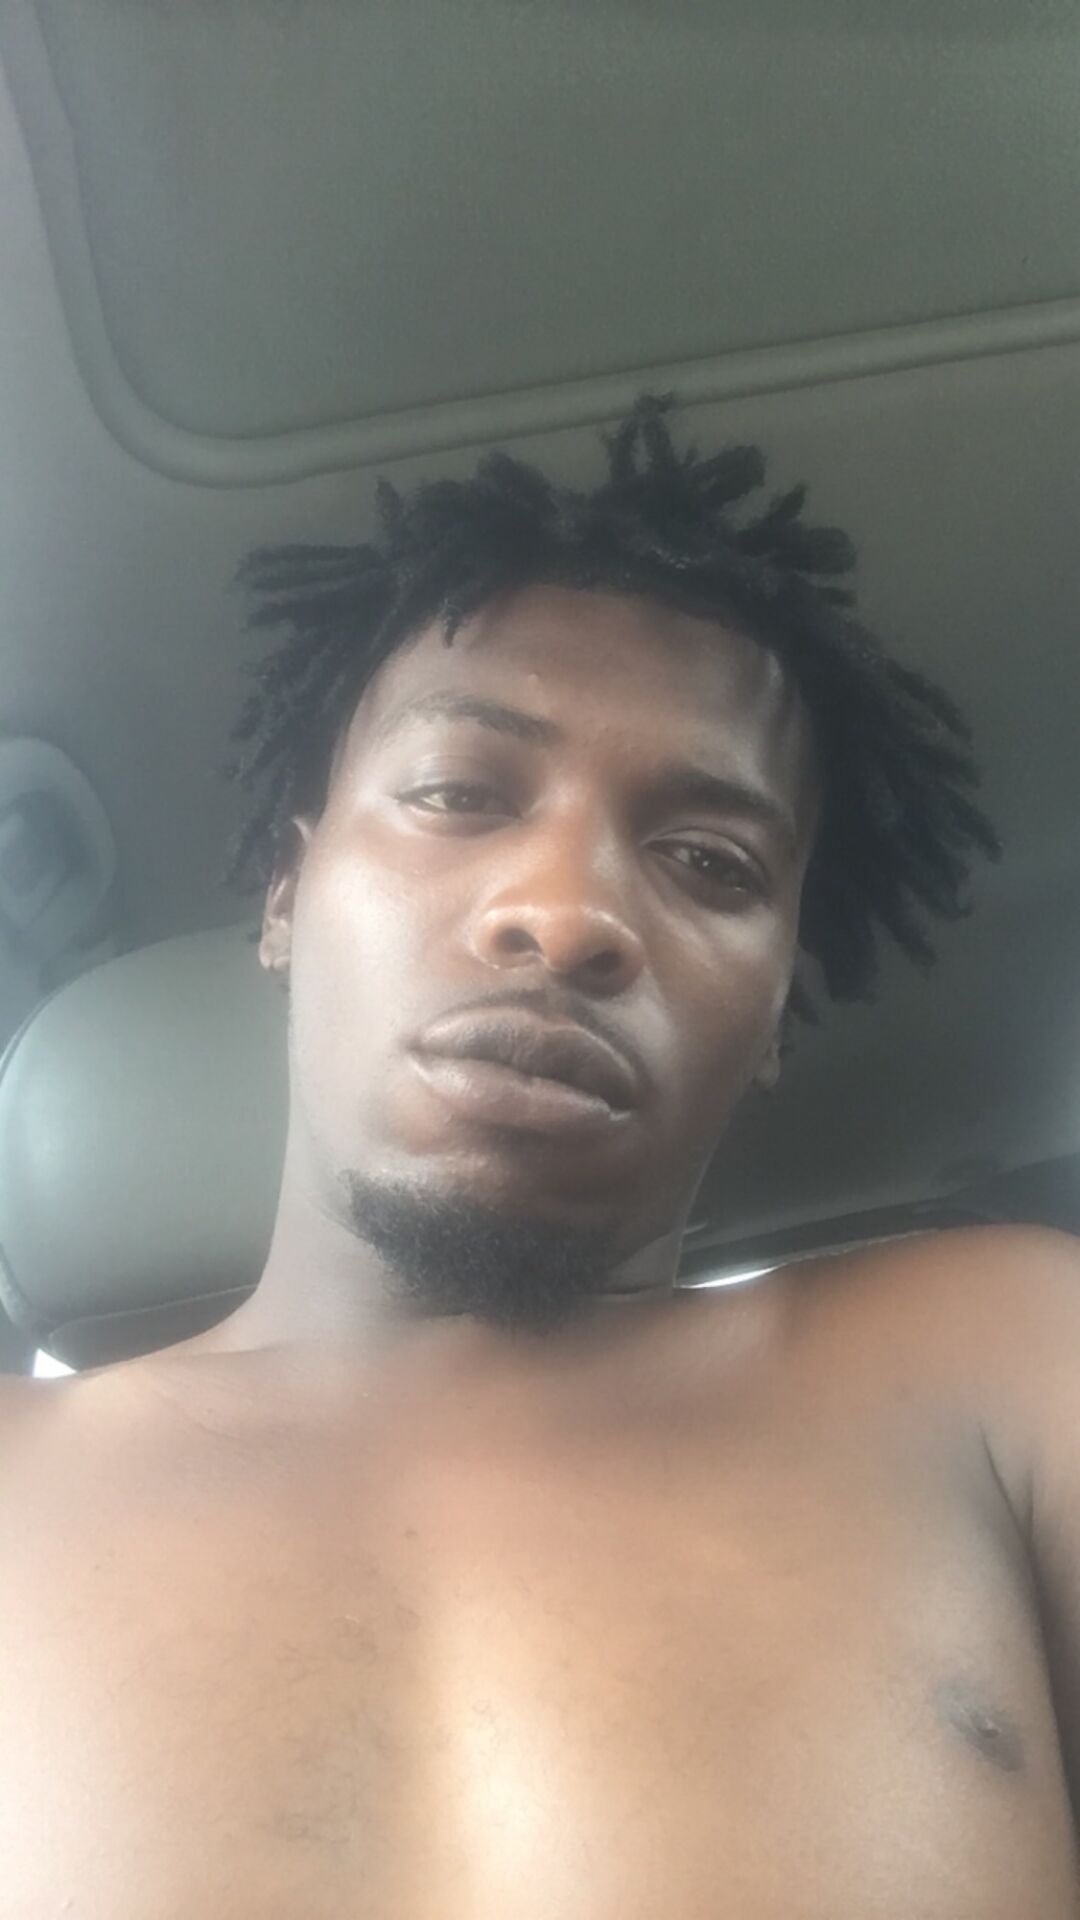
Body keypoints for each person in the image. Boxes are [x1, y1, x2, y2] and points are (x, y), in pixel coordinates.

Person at [2, 395, 1079, 1916]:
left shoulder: (1004, 1357)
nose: (566, 917)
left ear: (777, 1008)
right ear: (288, 900)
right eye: (459, 794)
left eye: (708, 861)